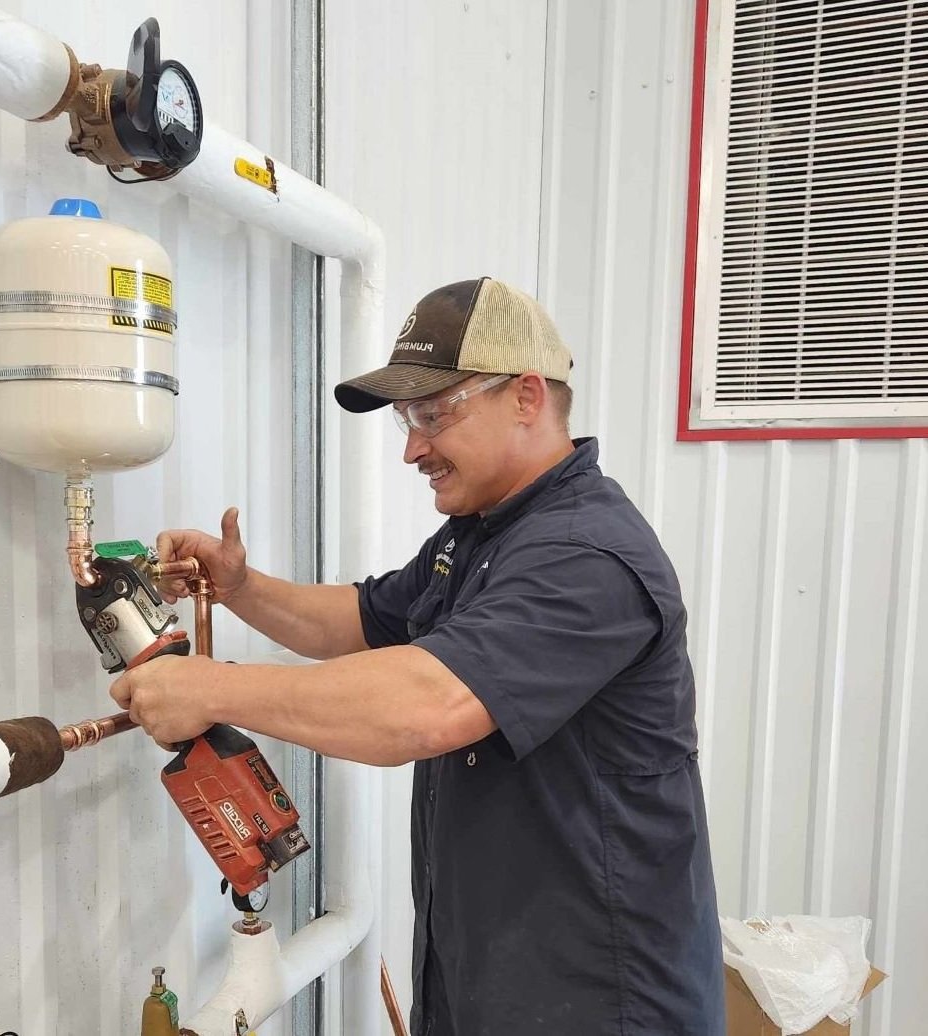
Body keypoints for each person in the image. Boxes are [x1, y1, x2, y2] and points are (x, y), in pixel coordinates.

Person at [111, 277, 726, 1035]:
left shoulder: (584, 555)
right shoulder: (485, 534)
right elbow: (365, 620)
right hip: (490, 980)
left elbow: (421, 707)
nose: (412, 447)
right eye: (407, 416)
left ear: (527, 397)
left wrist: (212, 690)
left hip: (599, 1000)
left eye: (434, 413)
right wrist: (240, 587)